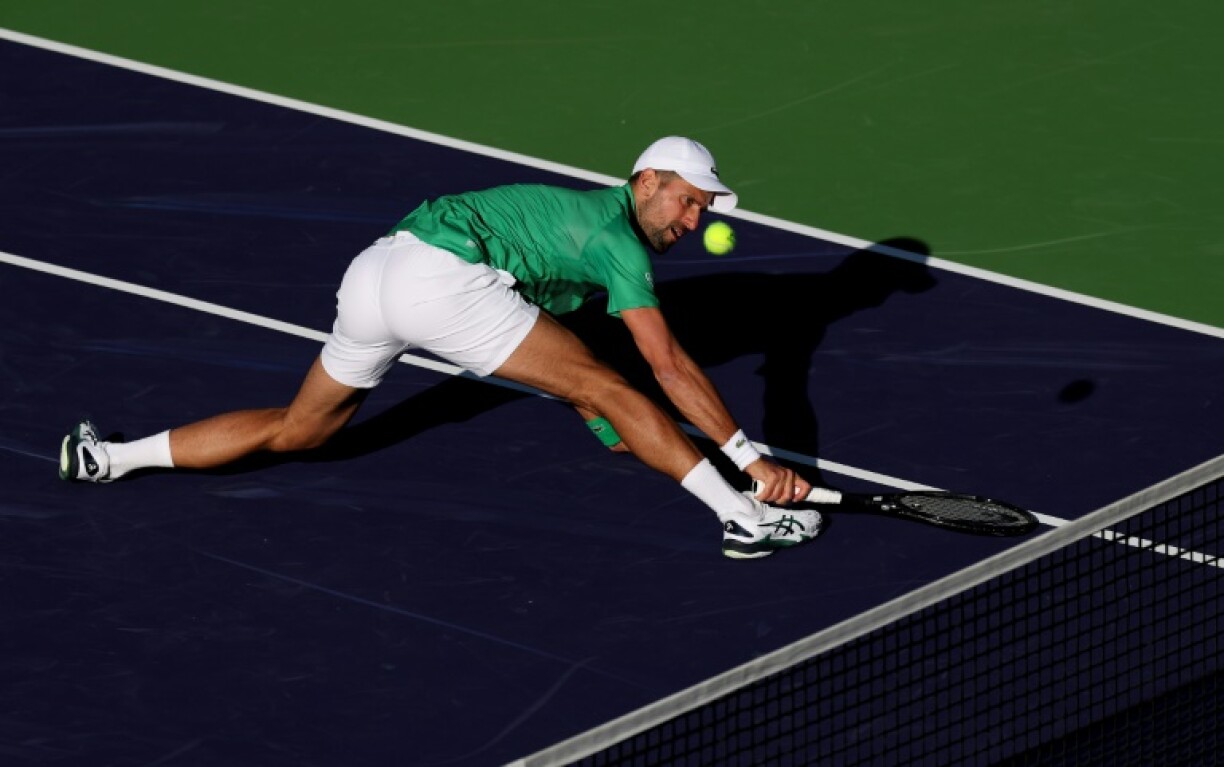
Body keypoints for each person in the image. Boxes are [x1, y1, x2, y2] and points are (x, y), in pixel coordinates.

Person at [58, 136, 823, 559]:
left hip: (377, 270)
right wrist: (750, 463)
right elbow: (666, 365)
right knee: (617, 388)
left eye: (702, 210)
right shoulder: (617, 243)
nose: (692, 220)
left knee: (301, 428)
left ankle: (110, 458)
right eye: (687, 201)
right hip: (441, 280)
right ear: (646, 179)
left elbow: (566, 350)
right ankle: (741, 518)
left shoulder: (577, 222)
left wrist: (605, 417)